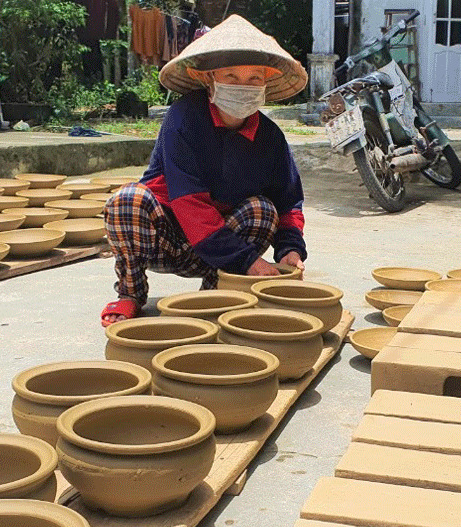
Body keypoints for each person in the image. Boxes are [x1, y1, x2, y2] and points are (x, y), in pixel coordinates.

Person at [101, 15, 309, 326]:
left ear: (266, 82)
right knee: (126, 201)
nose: (243, 86)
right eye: (231, 76)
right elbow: (189, 204)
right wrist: (249, 261)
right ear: (209, 78)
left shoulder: (271, 138)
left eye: (254, 78)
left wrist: (291, 250)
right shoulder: (183, 118)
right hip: (167, 238)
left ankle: (216, 291)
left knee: (263, 211)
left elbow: (288, 202)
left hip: (223, 246)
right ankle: (131, 293)